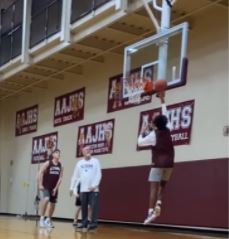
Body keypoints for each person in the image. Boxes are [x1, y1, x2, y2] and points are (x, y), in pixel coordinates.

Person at [138, 93, 174, 225]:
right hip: (170, 163)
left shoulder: (153, 135)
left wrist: (142, 131)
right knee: (163, 185)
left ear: (155, 125)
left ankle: (150, 213)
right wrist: (163, 100)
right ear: (165, 123)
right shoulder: (169, 129)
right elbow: (166, 113)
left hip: (157, 163)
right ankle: (159, 204)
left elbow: (140, 142)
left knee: (153, 187)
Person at [70, 146, 102, 232]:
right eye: (86, 150)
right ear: (82, 152)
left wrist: (94, 186)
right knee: (83, 207)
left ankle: (93, 224)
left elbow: (98, 174)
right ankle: (84, 223)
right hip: (83, 190)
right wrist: (72, 188)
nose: (88, 151)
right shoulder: (79, 163)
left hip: (93, 189)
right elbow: (75, 176)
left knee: (93, 207)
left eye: (89, 150)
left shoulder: (96, 161)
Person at [38, 149, 63, 228]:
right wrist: (40, 184)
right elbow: (40, 172)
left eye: (59, 153)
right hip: (46, 185)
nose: (58, 154)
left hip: (54, 187)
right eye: (56, 153)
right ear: (53, 155)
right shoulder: (48, 163)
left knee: (53, 203)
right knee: (46, 199)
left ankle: (48, 220)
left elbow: (60, 178)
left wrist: (56, 188)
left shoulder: (61, 165)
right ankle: (41, 218)